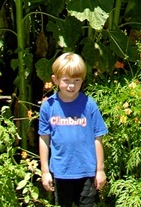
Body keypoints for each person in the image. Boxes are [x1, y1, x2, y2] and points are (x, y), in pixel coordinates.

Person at [39, 52, 108, 207]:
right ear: (55, 80)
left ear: (82, 80)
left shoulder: (89, 104)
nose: (71, 85)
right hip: (61, 171)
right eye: (66, 80)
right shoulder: (48, 106)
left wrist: (100, 170)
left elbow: (98, 138)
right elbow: (44, 138)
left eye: (76, 80)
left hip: (87, 172)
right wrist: (45, 171)